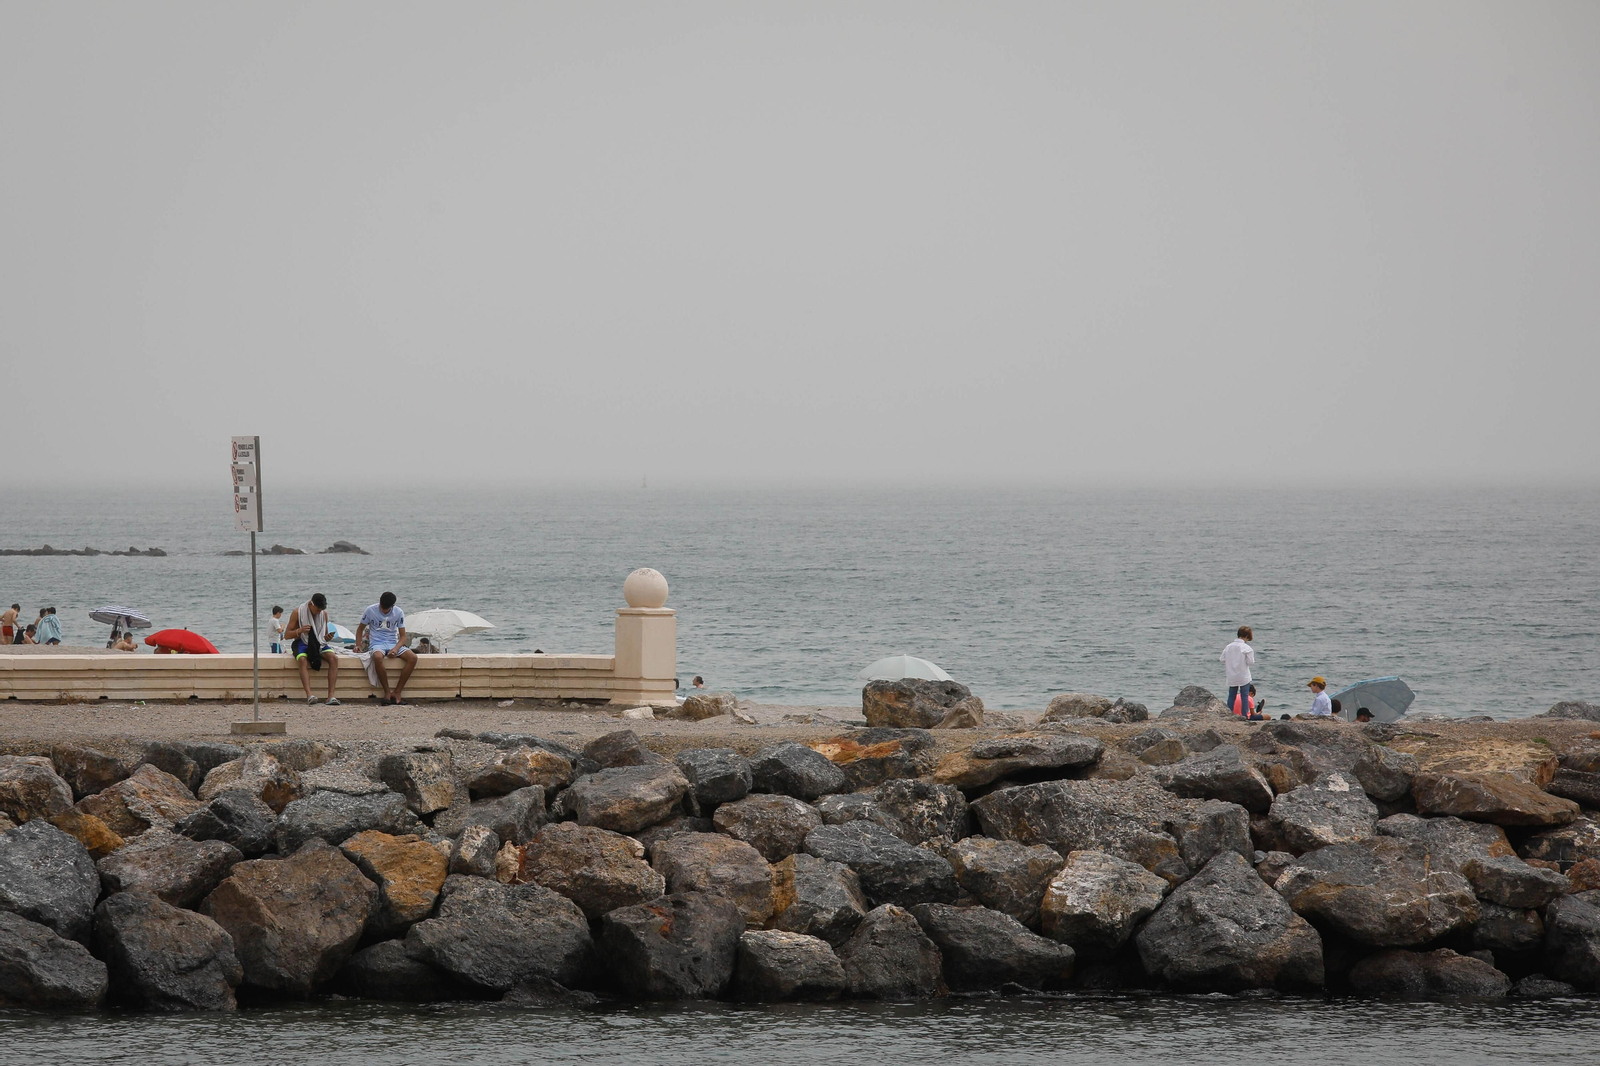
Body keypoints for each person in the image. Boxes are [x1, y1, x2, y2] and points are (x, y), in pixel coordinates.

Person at [357, 591, 416, 705]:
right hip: (377, 642)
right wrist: (358, 645)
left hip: (393, 642)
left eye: (386, 608)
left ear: (392, 606)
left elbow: (403, 636)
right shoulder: (370, 610)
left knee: (413, 658)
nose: (383, 610)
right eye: (382, 607)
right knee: (378, 657)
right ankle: (387, 692)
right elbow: (360, 629)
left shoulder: (398, 612)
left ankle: (397, 692)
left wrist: (395, 649)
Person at [284, 593, 341, 705]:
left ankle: (330, 696)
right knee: (302, 660)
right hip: (302, 641)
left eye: (321, 610)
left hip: (319, 643)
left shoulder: (323, 614)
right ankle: (309, 695)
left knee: (334, 659)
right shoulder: (297, 612)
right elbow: (286, 635)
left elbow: (323, 636)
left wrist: (328, 637)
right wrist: (299, 631)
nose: (319, 612)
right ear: (311, 604)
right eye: (317, 609)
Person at [1221, 626, 1255, 718]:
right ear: (1247, 636)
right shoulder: (1246, 648)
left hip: (1231, 675)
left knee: (1231, 696)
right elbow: (1250, 662)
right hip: (1243, 675)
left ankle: (1229, 715)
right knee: (1244, 696)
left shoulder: (1228, 647)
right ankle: (1245, 716)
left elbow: (1222, 659)